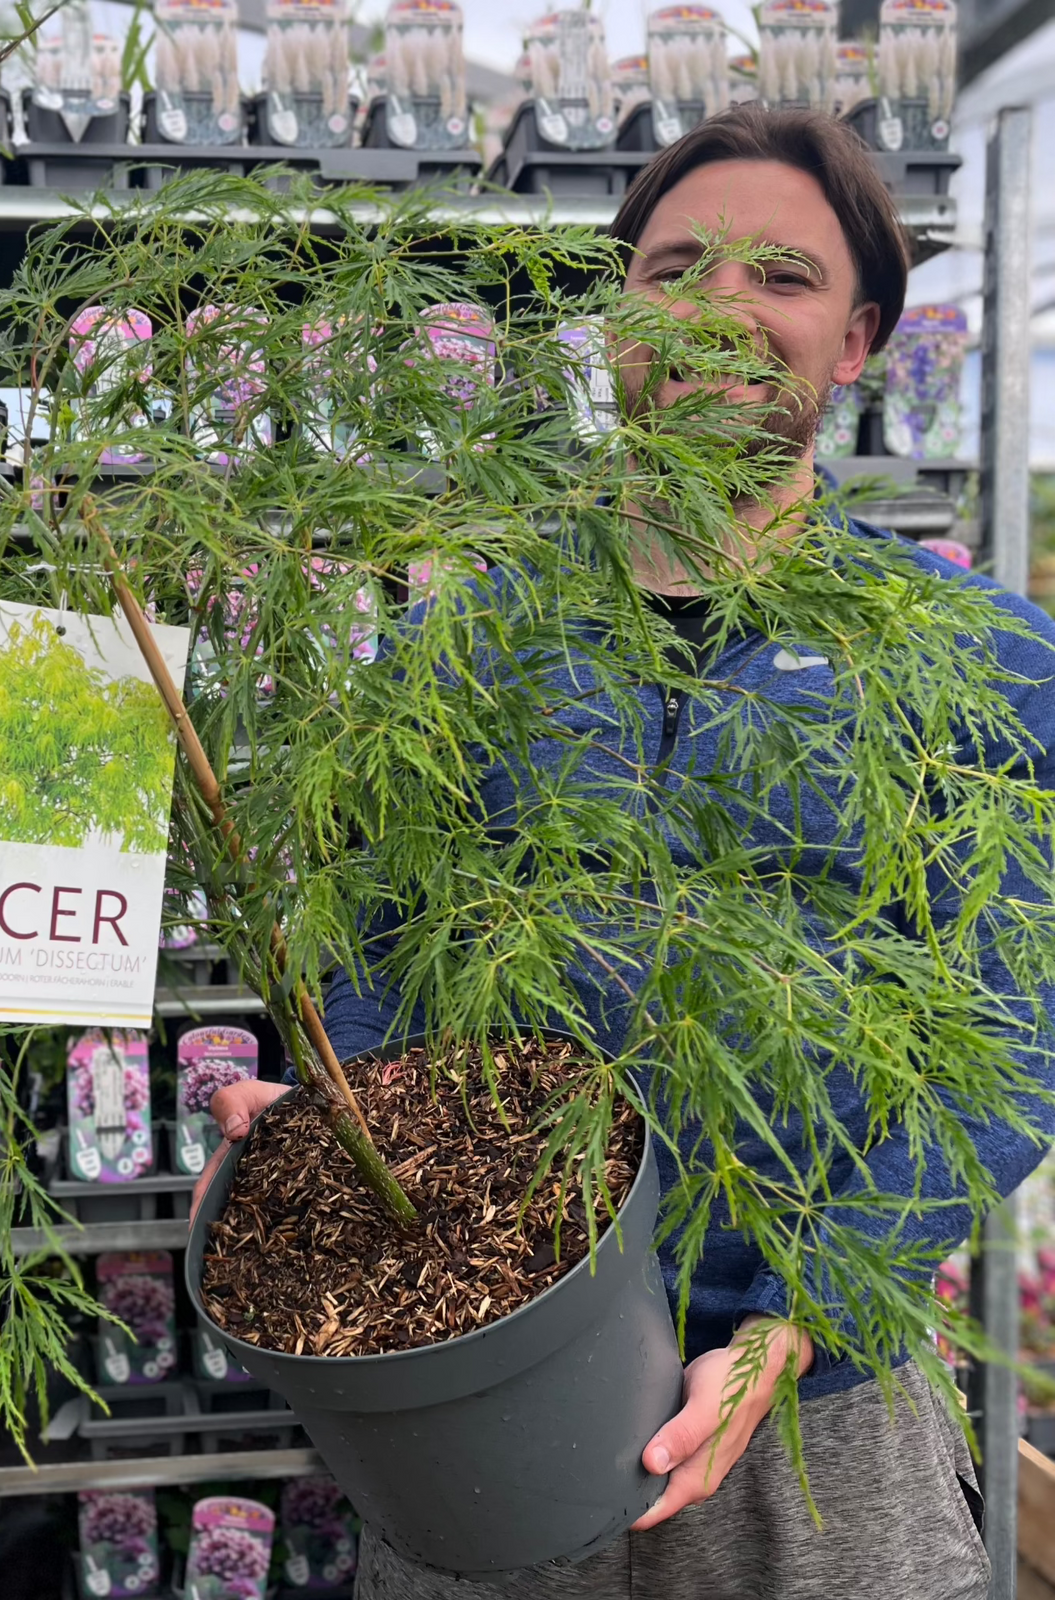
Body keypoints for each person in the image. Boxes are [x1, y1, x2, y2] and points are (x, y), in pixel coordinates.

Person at [194, 105, 1055, 1598]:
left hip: (817, 1416)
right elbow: (378, 952)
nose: (723, 308)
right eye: (676, 269)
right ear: (614, 325)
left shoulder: (977, 658)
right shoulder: (469, 639)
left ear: (857, 342)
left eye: (780, 277)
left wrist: (797, 1318)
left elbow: (1015, 1027)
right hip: (472, 1395)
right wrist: (343, 1105)